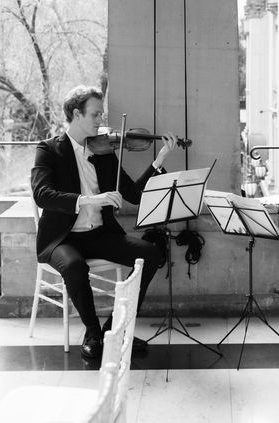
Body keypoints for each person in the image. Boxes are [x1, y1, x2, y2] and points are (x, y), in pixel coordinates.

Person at [31, 85, 179, 359]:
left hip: (99, 235)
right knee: (74, 266)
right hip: (62, 238)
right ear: (76, 114)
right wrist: (90, 200)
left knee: (151, 254)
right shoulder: (49, 150)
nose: (101, 120)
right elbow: (42, 195)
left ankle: (115, 329)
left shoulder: (104, 153)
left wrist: (159, 160)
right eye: (95, 114)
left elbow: (132, 195)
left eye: (101, 114)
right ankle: (92, 332)